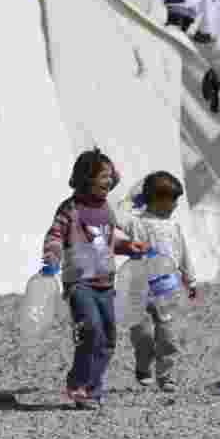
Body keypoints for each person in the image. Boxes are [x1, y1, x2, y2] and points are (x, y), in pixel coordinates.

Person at [40, 148, 149, 409]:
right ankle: (77, 385)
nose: (109, 181)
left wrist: (128, 247)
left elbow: (109, 240)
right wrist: (52, 257)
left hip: (105, 284)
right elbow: (54, 235)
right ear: (86, 178)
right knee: (91, 331)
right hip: (80, 284)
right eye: (102, 176)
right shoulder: (71, 209)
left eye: (110, 177)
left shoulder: (106, 210)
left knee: (108, 338)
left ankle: (92, 389)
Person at [121, 170, 198, 392]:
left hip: (168, 290)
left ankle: (167, 375)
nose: (175, 205)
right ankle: (143, 365)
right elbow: (117, 216)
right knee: (143, 334)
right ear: (157, 198)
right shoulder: (136, 224)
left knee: (169, 336)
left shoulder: (174, 227)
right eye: (173, 199)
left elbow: (183, 254)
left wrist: (190, 280)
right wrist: (132, 198)